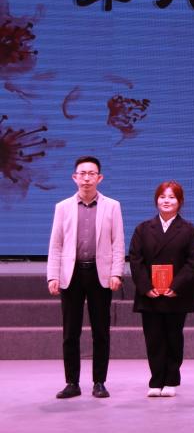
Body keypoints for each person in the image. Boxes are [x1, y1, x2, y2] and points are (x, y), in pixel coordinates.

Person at [46, 156, 124, 399]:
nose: (87, 178)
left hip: (100, 274)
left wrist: (116, 272)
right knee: (70, 332)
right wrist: (52, 276)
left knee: (101, 331)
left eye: (92, 174)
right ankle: (72, 382)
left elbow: (118, 243)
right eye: (83, 173)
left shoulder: (112, 206)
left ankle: (99, 382)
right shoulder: (62, 207)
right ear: (74, 177)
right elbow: (56, 244)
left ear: (100, 178)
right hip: (72, 274)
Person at [128, 181, 194, 397]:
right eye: (162, 197)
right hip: (150, 294)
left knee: (173, 337)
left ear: (180, 202)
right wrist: (146, 287)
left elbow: (192, 262)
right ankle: (155, 380)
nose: (166, 201)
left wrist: (176, 286)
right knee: (153, 338)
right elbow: (136, 260)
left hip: (176, 294)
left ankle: (171, 380)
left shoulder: (190, 230)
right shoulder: (143, 229)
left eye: (171, 197)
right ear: (156, 200)